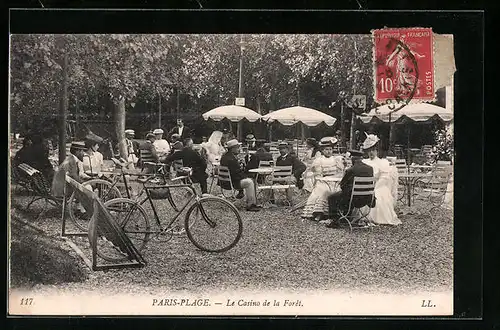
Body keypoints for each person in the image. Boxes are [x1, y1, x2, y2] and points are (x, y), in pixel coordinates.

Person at [326, 150, 377, 228]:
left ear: (352, 159)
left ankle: (334, 221)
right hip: (367, 198)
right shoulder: (370, 168)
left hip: (354, 200)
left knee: (332, 197)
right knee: (349, 193)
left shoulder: (351, 170)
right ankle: (346, 217)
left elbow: (342, 185)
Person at [361, 133, 401, 226]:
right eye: (369, 151)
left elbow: (384, 179)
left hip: (378, 185)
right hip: (366, 186)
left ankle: (378, 217)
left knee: (380, 194)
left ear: (377, 151)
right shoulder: (365, 162)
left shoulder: (382, 163)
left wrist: (375, 187)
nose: (371, 153)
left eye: (373, 150)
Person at [301, 137, 345, 221]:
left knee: (339, 190)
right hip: (323, 180)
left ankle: (335, 212)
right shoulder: (319, 160)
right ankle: (319, 212)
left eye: (330, 149)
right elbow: (318, 173)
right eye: (326, 149)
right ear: (322, 150)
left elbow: (340, 172)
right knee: (322, 189)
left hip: (335, 180)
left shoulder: (336, 159)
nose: (329, 151)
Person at [219, 139, 261, 212]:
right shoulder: (231, 159)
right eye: (238, 147)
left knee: (250, 179)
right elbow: (237, 175)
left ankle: (253, 202)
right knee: (249, 182)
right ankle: (251, 205)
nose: (239, 149)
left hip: (224, 181)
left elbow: (235, 172)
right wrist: (246, 175)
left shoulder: (225, 156)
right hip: (232, 183)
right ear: (232, 149)